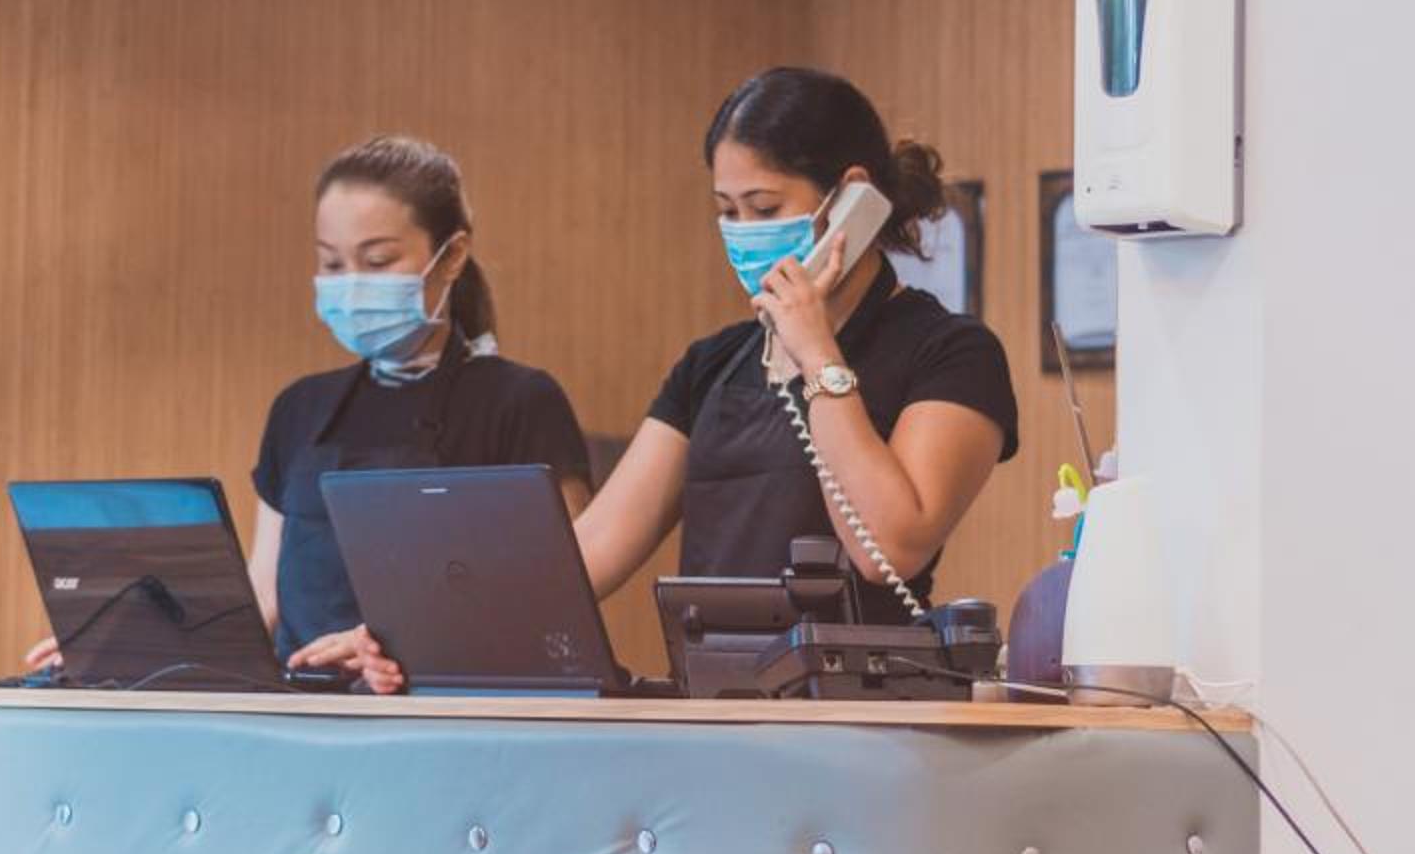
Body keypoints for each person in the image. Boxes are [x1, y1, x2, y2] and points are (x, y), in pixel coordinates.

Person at [573, 66, 1019, 625]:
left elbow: (888, 549)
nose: (743, 230)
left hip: (856, 681)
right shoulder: (711, 363)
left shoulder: (952, 352)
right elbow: (595, 548)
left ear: (850, 198)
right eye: (727, 211)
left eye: (764, 208)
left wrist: (816, 355)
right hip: (711, 678)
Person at [253, 135, 593, 679]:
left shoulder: (521, 402)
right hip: (302, 704)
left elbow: (561, 594)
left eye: (378, 260)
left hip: (450, 704)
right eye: (333, 264)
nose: (352, 285)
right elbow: (266, 595)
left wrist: (393, 642)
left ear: (452, 255)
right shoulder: (298, 408)